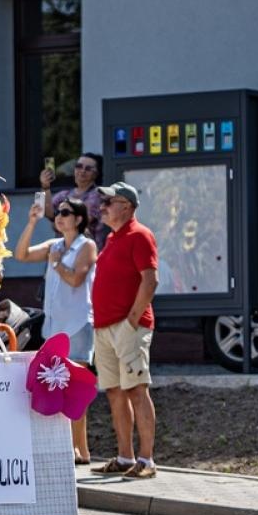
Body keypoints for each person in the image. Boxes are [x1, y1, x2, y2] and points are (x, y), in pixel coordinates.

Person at [16, 196, 98, 463]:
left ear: (78, 218)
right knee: (58, 388)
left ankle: (82, 449)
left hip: (77, 325)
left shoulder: (87, 245)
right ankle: (69, 448)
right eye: (58, 212)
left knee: (77, 389)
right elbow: (21, 255)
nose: (59, 216)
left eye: (66, 212)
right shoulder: (55, 245)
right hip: (55, 329)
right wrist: (30, 223)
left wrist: (57, 263)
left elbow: (76, 279)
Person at [90, 181, 159, 478]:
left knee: (136, 391)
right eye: (103, 202)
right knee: (116, 393)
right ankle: (125, 457)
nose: (103, 207)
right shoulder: (113, 238)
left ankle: (147, 461)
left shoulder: (140, 235)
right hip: (105, 327)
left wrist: (132, 320)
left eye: (109, 202)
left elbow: (150, 280)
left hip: (128, 327)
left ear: (127, 207)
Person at [40, 152, 108, 246]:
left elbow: (80, 223)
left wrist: (56, 223)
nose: (82, 171)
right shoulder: (65, 194)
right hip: (63, 252)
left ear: (96, 173)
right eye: (79, 166)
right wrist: (45, 187)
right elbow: (47, 213)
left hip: (86, 253)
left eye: (88, 169)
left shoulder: (98, 194)